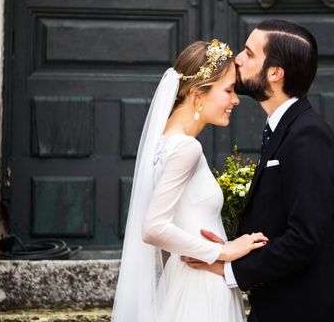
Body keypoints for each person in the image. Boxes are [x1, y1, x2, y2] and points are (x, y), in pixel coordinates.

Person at [187, 20, 334, 321]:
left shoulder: (308, 135)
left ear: (275, 73)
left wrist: (229, 268)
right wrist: (229, 247)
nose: (237, 58)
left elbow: (304, 238)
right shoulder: (283, 130)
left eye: (249, 54)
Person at [111, 39, 268, 322]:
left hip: (184, 280)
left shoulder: (163, 143)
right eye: (229, 91)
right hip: (199, 288)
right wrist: (224, 250)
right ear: (197, 94)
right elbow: (154, 228)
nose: (235, 100)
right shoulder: (186, 148)